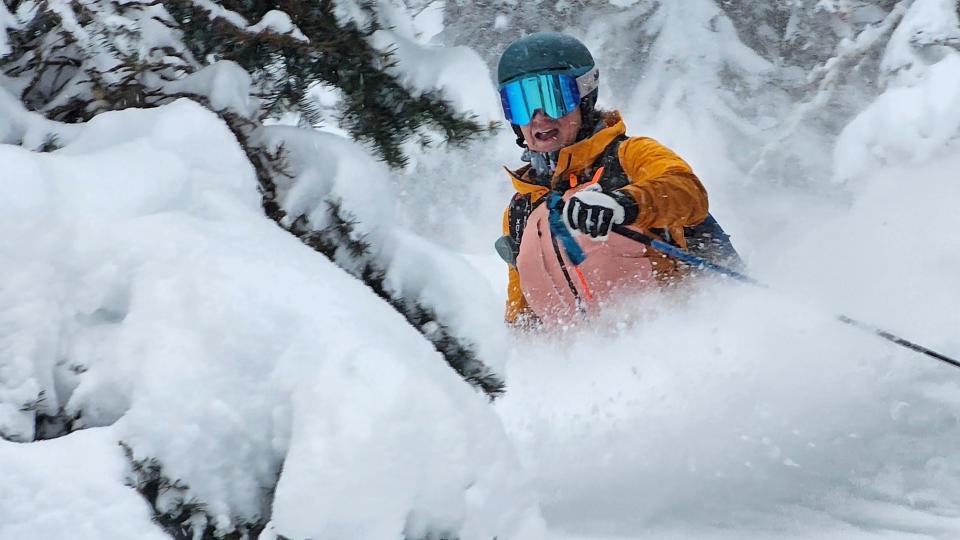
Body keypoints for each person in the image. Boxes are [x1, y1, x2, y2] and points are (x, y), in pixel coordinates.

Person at [494, 31, 739, 328]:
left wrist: (624, 204)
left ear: (584, 99)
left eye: (552, 98)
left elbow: (687, 191)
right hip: (593, 366)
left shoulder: (628, 156)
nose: (539, 117)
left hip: (685, 338)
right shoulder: (521, 210)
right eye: (520, 103)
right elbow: (522, 317)